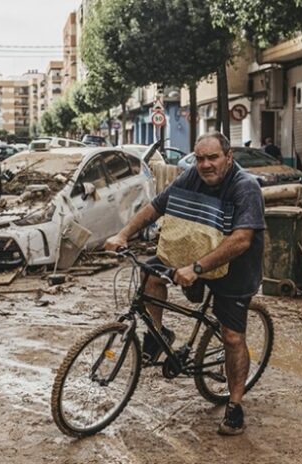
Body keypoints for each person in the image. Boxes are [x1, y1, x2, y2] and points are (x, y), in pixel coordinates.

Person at [104, 132, 265, 436]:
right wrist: (123, 234)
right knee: (151, 273)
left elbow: (242, 239)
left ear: (228, 158)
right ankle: (158, 332)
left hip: (235, 267)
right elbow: (155, 207)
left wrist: (198, 267)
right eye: (200, 158)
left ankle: (234, 404)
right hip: (193, 252)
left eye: (213, 157)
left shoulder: (246, 187)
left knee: (232, 337)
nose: (205, 164)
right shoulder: (190, 177)